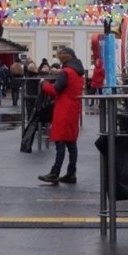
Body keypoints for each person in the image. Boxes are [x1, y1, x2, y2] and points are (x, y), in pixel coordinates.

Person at [37, 45, 86, 185]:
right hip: (74, 107)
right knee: (71, 142)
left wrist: (44, 84)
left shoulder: (66, 72)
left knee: (60, 141)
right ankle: (71, 173)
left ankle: (55, 173)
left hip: (63, 108)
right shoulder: (78, 72)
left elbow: (54, 91)